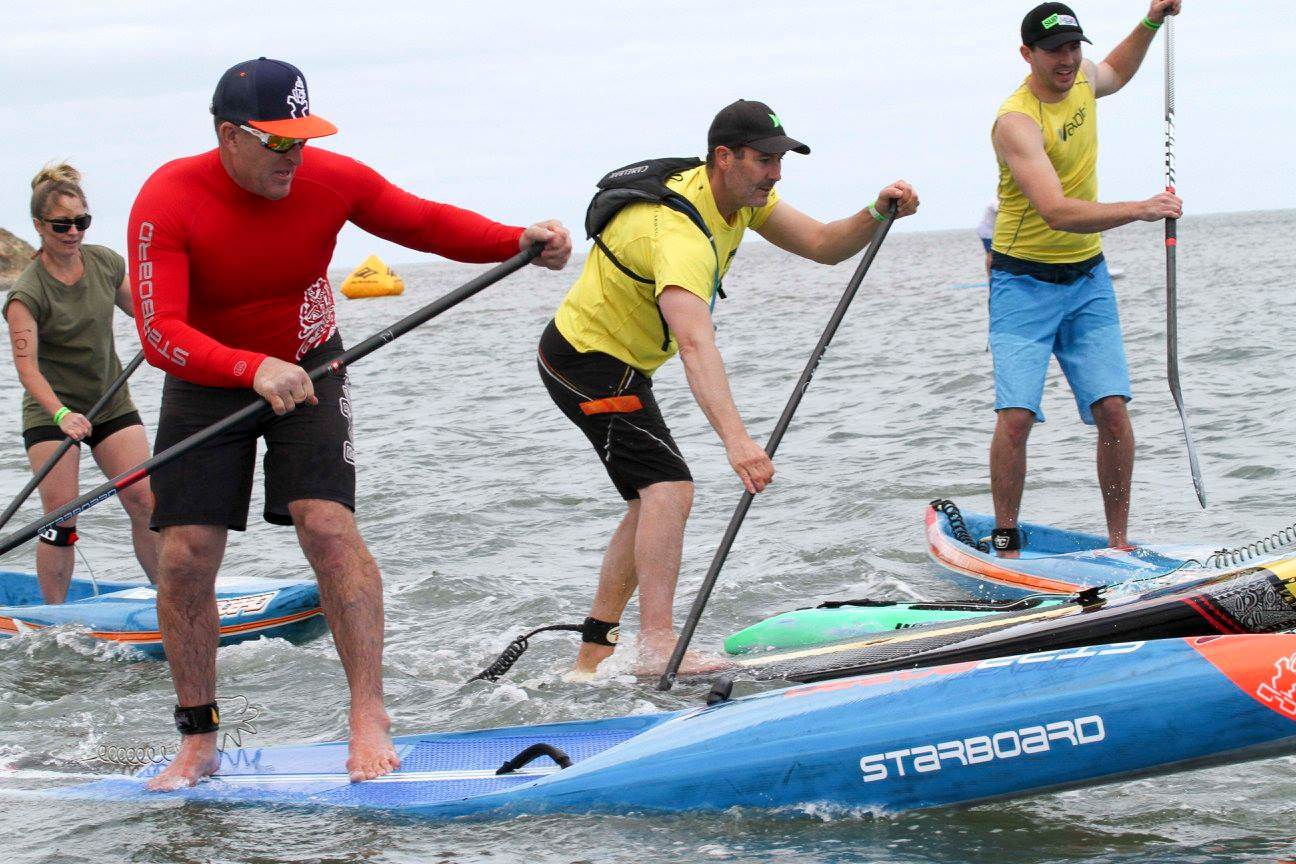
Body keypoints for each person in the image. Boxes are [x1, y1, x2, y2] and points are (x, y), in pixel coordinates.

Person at [128, 57, 571, 790]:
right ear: (229, 136)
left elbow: (422, 221)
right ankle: (198, 738)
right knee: (185, 554)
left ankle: (368, 713)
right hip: (208, 374)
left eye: (302, 138)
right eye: (277, 141)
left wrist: (516, 240)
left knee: (327, 525)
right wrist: (248, 368)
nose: (294, 156)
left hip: (309, 362)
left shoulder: (331, 180)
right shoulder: (168, 198)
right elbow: (159, 334)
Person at [538, 99, 918, 676]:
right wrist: (738, 442)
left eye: (780, 160)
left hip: (620, 364)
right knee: (669, 489)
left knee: (650, 500)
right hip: (584, 361)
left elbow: (823, 244)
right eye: (765, 160)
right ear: (725, 157)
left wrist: (875, 211)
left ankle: (592, 657)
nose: (776, 173)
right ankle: (657, 646)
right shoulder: (679, 235)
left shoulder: (739, 199)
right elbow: (696, 345)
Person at [987, 1, 1183, 557]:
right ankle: (1005, 540)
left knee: (1113, 411)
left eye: (1074, 47)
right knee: (1017, 417)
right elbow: (1056, 211)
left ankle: (1118, 545)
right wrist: (1141, 209)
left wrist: (1151, 20)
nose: (1068, 60)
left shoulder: (1083, 79)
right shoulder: (1016, 122)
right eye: (1054, 51)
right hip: (1022, 282)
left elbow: (1116, 70)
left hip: (1087, 279)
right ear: (1027, 54)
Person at [4, 164, 159, 603]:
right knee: (61, 517)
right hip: (52, 412)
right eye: (61, 225)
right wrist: (61, 415)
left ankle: (169, 597)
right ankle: (52, 618)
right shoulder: (26, 293)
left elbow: (146, 314)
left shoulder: (105, 263)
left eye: (81, 222)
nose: (73, 232)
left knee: (146, 502)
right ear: (39, 226)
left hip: (110, 402)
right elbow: (27, 370)